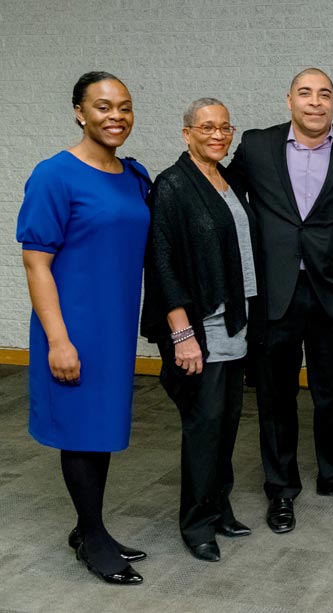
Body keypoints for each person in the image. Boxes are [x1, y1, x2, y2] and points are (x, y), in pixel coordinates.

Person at [228, 67, 333, 535]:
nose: (315, 102)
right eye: (305, 93)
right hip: (274, 294)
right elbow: (225, 199)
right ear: (289, 100)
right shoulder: (256, 146)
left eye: (325, 95)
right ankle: (281, 489)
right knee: (275, 397)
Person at [16, 71, 150, 585]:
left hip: (114, 328)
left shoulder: (133, 175)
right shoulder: (56, 175)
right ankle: (92, 538)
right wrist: (57, 339)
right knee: (79, 429)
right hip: (72, 326)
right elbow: (36, 263)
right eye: (102, 106)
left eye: (125, 106)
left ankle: (89, 525)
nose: (115, 116)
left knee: (100, 429)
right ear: (79, 111)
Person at [141, 98, 258, 562]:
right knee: (203, 425)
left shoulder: (227, 179)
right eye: (207, 127)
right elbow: (162, 262)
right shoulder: (172, 185)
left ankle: (219, 506)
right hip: (201, 329)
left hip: (234, 322)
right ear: (186, 133)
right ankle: (196, 524)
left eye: (225, 127)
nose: (218, 135)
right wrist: (181, 334)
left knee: (227, 423)